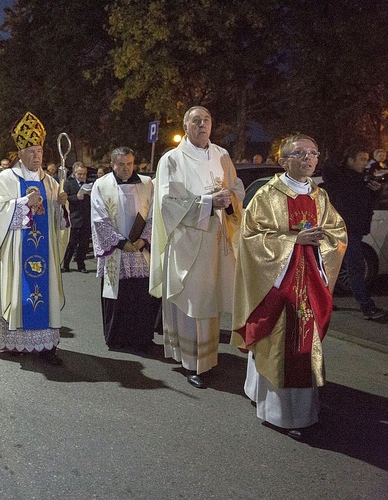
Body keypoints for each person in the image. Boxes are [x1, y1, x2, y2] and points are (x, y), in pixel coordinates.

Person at [232, 134, 346, 439]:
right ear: (284, 160)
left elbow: (338, 232)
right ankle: (278, 412)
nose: (308, 158)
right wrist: (292, 239)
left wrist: (324, 242)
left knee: (306, 343)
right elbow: (249, 237)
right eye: (300, 153)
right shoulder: (267, 195)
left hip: (311, 280)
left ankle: (305, 410)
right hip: (278, 283)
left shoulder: (320, 196)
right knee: (279, 339)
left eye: (313, 153)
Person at [149, 105, 244, 388]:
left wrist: (229, 198)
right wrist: (206, 203)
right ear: (185, 126)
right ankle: (191, 361)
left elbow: (237, 187)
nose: (202, 125)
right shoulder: (172, 159)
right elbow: (167, 203)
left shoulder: (221, 155)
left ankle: (208, 356)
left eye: (207, 120)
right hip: (188, 242)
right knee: (193, 300)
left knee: (210, 299)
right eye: (196, 121)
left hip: (216, 239)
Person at [0, 111, 69, 365]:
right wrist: (22, 203)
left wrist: (61, 206)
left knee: (45, 292)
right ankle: (15, 341)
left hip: (44, 251)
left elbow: (58, 223)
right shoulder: (7, 178)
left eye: (39, 151)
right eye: (31, 151)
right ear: (19, 153)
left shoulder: (50, 181)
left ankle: (46, 345)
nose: (36, 156)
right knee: (19, 291)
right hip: (16, 251)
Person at [91, 147, 160, 353]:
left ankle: (142, 337)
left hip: (141, 251)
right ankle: (116, 338)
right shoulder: (102, 185)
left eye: (130, 164)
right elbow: (99, 218)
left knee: (140, 296)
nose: (126, 168)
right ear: (112, 164)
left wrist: (143, 240)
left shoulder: (147, 184)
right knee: (117, 297)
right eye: (121, 164)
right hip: (116, 252)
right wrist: (121, 243)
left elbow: (154, 215)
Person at [323, 146, 386, 320]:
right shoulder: (342, 179)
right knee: (354, 267)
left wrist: (376, 190)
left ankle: (323, 302)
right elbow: (329, 170)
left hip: (355, 230)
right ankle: (366, 306)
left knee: (334, 267)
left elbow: (368, 204)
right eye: (361, 159)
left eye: (366, 159)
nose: (364, 163)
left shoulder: (363, 180)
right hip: (343, 230)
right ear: (350, 161)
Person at [62, 162, 92, 273]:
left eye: (84, 174)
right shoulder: (69, 184)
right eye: (80, 174)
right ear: (74, 173)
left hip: (86, 218)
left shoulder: (90, 184)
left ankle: (81, 265)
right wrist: (76, 197)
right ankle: (66, 264)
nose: (82, 176)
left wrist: (91, 195)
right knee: (71, 244)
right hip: (74, 218)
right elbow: (64, 199)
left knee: (84, 244)